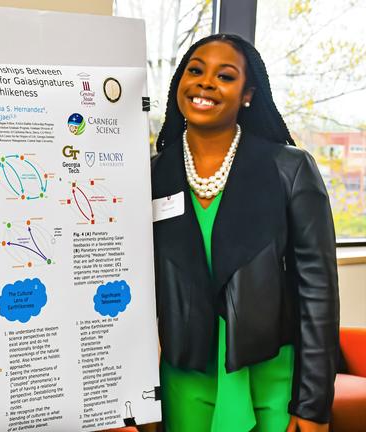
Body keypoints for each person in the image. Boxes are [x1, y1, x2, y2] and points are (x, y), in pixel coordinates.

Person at [150, 33, 339, 432]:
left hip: (273, 385)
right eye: (196, 70)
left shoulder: (290, 169)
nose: (205, 82)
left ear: (248, 94)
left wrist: (312, 405)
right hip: (185, 383)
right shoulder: (150, 175)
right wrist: (136, 400)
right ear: (179, 82)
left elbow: (318, 295)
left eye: (225, 76)